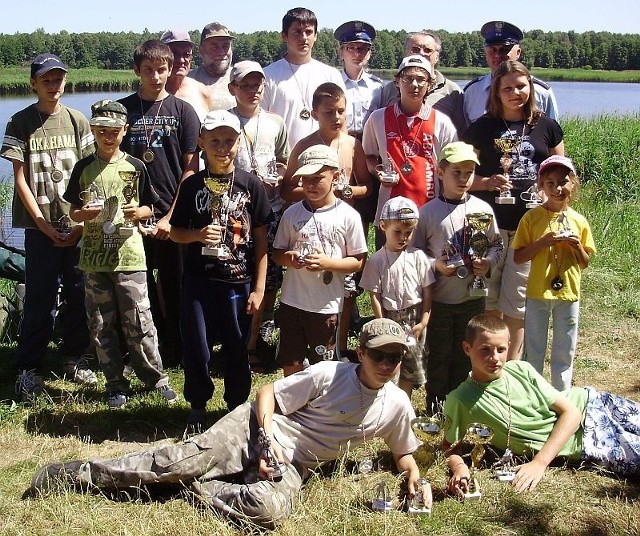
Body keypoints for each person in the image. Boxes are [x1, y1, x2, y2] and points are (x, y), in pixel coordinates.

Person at [26, 318, 422, 529]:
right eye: (379, 356)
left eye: (395, 357)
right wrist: (266, 441)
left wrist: (412, 476)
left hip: (294, 465)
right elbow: (268, 394)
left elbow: (404, 452)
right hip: (255, 427)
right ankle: (78, 474)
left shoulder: (397, 405)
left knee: (267, 513)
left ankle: (198, 488)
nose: (387, 365)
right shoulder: (330, 374)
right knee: (176, 462)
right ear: (360, 352)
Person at [444, 314, 640, 497]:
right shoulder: (461, 399)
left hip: (592, 403)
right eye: (485, 350)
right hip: (587, 440)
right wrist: (460, 468)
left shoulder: (521, 369)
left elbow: (571, 412)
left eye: (501, 349)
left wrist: (539, 463)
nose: (494, 358)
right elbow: (449, 447)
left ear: (509, 346)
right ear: (467, 348)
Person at [63, 99, 178, 409]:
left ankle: (156, 378)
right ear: (94, 130)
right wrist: (82, 215)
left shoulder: (136, 166)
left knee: (139, 320)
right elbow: (73, 211)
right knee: (101, 323)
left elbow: (149, 207)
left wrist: (139, 211)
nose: (107, 136)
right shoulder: (83, 168)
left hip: (130, 258)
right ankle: (115, 382)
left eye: (114, 130)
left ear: (124, 131)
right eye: (101, 130)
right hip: (93, 260)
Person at [1, 53, 97, 401]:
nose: (53, 85)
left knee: (78, 294)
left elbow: (90, 176)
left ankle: (76, 357)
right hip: (39, 227)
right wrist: (42, 225)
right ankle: (28, 366)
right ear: (33, 83)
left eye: (58, 78)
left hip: (76, 226)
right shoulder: (19, 122)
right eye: (46, 79)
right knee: (39, 299)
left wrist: (81, 223)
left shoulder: (77, 121)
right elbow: (19, 179)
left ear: (65, 81)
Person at [169, 110, 272, 432]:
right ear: (201, 143)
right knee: (197, 347)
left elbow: (261, 243)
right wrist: (198, 235)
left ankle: (236, 406)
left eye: (229, 140)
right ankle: (198, 406)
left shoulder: (251, 185)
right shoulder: (192, 186)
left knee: (237, 348)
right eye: (215, 140)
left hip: (237, 283)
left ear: (238, 143)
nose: (222, 147)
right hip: (198, 282)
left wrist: (258, 289)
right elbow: (175, 232)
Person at [462, 60, 564, 360]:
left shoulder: (546, 125)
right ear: (497, 91)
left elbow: (563, 173)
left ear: (530, 87)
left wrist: (554, 204)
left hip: (529, 227)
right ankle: (487, 360)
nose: (515, 92)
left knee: (518, 300)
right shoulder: (482, 127)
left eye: (521, 86)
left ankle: (512, 365)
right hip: (490, 224)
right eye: (508, 88)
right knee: (489, 296)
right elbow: (461, 175)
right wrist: (487, 181)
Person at [118, 39, 201, 367]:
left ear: (170, 70)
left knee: (175, 284)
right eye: (149, 70)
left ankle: (176, 347)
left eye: (162, 69)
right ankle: (137, 348)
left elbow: (190, 168)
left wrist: (171, 215)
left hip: (171, 216)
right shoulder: (123, 110)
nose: (155, 76)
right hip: (131, 215)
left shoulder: (183, 111)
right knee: (135, 286)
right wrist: (129, 213)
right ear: (137, 70)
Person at [281, 82, 372, 362]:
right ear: (314, 113)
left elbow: (366, 186)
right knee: (313, 284)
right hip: (309, 224)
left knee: (346, 289)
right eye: (329, 112)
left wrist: (346, 191)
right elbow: (286, 189)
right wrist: (315, 188)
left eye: (341, 111)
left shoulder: (352, 144)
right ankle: (305, 342)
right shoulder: (305, 145)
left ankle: (340, 346)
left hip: (344, 225)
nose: (337, 118)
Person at [412, 142, 503, 413]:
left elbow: (496, 245)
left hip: (473, 298)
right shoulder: (428, 212)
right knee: (439, 356)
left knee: (469, 356)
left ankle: (463, 406)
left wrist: (487, 264)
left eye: (469, 173)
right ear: (440, 172)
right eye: (457, 172)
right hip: (440, 301)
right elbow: (414, 253)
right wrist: (435, 266)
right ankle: (437, 409)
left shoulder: (483, 210)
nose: (464, 179)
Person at [273, 145, 367, 377]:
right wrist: (289, 258)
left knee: (323, 366)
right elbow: (277, 253)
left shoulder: (348, 216)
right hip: (292, 301)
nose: (311, 185)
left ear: (335, 177)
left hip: (326, 306)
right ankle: (292, 405)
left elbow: (357, 261)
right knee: (291, 362)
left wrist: (328, 263)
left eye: (318, 178)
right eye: (305, 179)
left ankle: (320, 408)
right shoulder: (291, 213)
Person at [512, 155, 595, 391]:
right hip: (538, 292)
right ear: (541, 186)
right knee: (535, 348)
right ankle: (534, 394)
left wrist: (577, 246)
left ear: (573, 184)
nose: (558, 189)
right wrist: (543, 242)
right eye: (551, 183)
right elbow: (519, 257)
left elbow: (585, 262)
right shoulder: (531, 218)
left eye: (563, 182)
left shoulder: (579, 221)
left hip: (568, 294)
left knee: (564, 349)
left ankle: (562, 397)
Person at [227, 60, 289, 370]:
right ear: (232, 89)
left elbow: (282, 161)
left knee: (271, 275)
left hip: (271, 209)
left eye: (257, 85)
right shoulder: (222, 121)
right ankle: (233, 337)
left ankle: (258, 335)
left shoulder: (276, 122)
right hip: (234, 213)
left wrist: (276, 176)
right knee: (237, 273)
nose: (253, 91)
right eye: (246, 85)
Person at [363, 55, 457, 246]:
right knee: (389, 267)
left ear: (429, 85)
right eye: (408, 78)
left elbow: (452, 164)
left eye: (421, 79)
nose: (414, 84)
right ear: (397, 82)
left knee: (426, 269)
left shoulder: (441, 121)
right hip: (389, 211)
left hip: (430, 209)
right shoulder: (378, 118)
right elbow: (368, 155)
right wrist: (378, 171)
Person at [360, 196, 434, 397]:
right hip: (390, 317)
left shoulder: (417, 256)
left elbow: (428, 290)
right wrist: (382, 321)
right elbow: (374, 294)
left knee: (411, 366)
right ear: (383, 226)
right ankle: (386, 402)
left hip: (414, 318)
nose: (403, 237)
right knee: (389, 362)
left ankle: (405, 404)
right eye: (398, 232)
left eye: (409, 233)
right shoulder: (376, 261)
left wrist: (424, 321)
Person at [262, 7, 346, 148]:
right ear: (284, 36)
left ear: (316, 35)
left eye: (308, 32)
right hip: (283, 163)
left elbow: (342, 123)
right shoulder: (268, 76)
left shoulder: (331, 75)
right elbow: (261, 123)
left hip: (325, 160)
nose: (304, 38)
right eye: (297, 32)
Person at [463, 21, 559, 126]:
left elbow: (553, 135)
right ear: (485, 53)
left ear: (518, 53)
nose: (497, 55)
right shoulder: (472, 92)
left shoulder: (542, 93)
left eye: (504, 50)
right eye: (492, 50)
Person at [379, 30, 465, 132]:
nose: (421, 53)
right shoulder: (389, 89)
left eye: (427, 50)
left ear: (437, 57)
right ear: (406, 53)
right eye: (415, 49)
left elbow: (460, 131)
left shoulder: (452, 90)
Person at [333, 20, 383, 139]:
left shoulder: (377, 87)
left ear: (369, 53)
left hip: (370, 145)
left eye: (363, 48)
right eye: (351, 48)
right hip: (340, 142)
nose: (357, 54)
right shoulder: (333, 84)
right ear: (341, 53)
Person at [160, 29, 214, 121]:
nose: (181, 60)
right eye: (174, 54)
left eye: (186, 54)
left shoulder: (202, 91)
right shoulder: (151, 91)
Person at [188, 22, 236, 111]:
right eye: (214, 47)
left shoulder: (242, 79)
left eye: (226, 46)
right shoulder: (188, 81)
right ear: (201, 50)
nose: (221, 52)